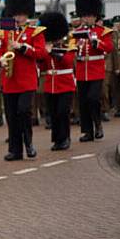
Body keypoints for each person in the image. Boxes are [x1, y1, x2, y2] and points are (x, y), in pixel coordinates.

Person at [0, 0, 47, 161]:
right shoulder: (5, 32)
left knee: (23, 111)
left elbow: (41, 53)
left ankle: (29, 144)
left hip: (26, 80)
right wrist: (1, 59)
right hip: (10, 80)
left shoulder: (35, 32)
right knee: (11, 115)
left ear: (27, 14)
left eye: (21, 14)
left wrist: (23, 47)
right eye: (16, 14)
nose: (18, 17)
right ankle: (15, 150)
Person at [72, 0, 114, 141]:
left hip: (96, 70)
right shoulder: (77, 32)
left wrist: (98, 43)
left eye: (90, 16)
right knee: (83, 101)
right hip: (82, 71)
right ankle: (87, 131)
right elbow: (73, 50)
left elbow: (109, 48)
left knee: (93, 98)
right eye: (85, 16)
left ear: (95, 16)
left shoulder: (103, 31)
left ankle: (98, 125)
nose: (87, 18)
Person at [37, 12, 74, 150]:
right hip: (50, 84)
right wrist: (42, 56)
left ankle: (65, 138)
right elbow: (43, 66)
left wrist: (52, 52)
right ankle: (57, 139)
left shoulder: (68, 47)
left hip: (65, 85)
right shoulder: (47, 47)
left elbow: (67, 62)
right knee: (53, 113)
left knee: (62, 112)